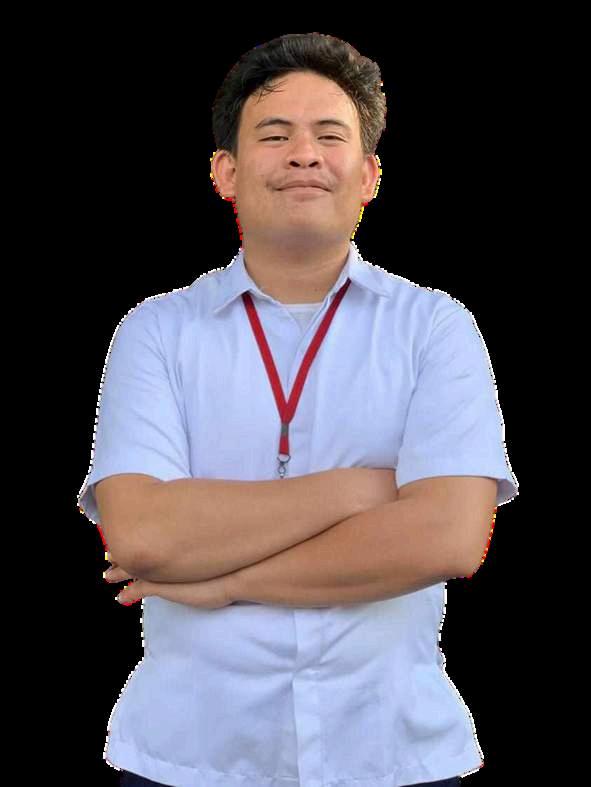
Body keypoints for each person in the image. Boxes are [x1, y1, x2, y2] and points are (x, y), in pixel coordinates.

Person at [78, 32, 518, 787]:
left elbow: (447, 539)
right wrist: (360, 490)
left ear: (369, 174)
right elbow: (144, 534)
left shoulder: (436, 327)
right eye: (275, 135)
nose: (304, 155)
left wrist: (223, 580)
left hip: (393, 752)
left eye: (330, 136)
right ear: (225, 170)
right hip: (188, 758)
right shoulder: (155, 330)